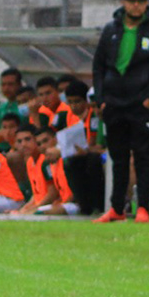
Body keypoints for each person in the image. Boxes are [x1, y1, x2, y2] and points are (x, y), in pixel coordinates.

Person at [89, 0, 149, 223]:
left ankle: (143, 208)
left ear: (146, 4)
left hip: (142, 104)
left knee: (143, 156)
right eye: (131, 0)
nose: (135, 5)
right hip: (114, 103)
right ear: (123, 3)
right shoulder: (110, 30)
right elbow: (98, 66)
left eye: (140, 1)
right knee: (117, 157)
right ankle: (117, 208)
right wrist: (101, 98)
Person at [56, 79, 106, 214]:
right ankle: (84, 205)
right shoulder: (93, 119)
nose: (73, 106)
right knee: (71, 162)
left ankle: (99, 204)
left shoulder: (102, 118)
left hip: (109, 156)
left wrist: (90, 151)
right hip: (97, 153)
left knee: (92, 161)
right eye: (70, 102)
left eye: (77, 101)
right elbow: (93, 144)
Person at [17, 123, 81, 215]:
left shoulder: (66, 158)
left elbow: (72, 191)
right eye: (39, 144)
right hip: (62, 203)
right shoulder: (47, 162)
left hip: (75, 204)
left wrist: (35, 208)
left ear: (56, 139)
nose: (43, 146)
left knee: (37, 213)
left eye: (46, 141)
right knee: (27, 213)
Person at [0, 67, 26, 134]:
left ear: (20, 85)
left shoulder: (26, 106)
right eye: (3, 84)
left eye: (10, 84)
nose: (6, 88)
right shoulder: (4, 106)